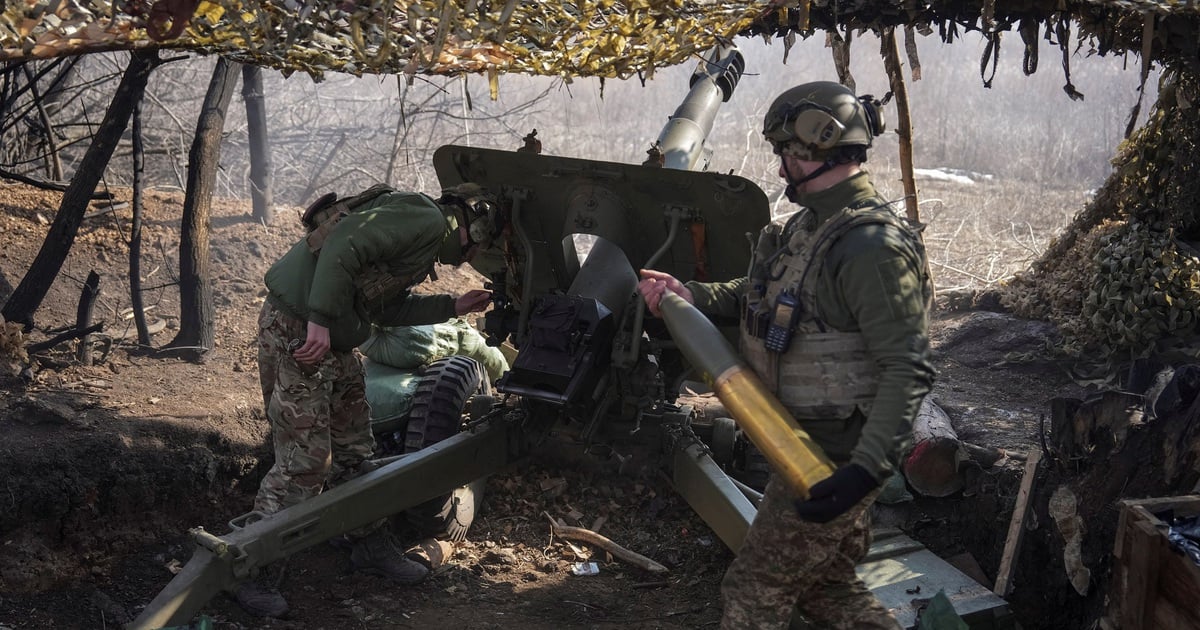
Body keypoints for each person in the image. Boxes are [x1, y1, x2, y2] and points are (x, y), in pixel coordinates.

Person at [638, 81, 935, 629]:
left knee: (754, 590)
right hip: (798, 444)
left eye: (788, 155)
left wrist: (862, 474)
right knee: (826, 591)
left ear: (821, 146)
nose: (780, 170)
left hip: (834, 460)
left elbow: (907, 367)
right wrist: (691, 294)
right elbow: (762, 300)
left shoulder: (871, 248)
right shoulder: (810, 228)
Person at [235, 184, 497, 618]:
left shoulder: (422, 241)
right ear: (473, 226)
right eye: (480, 246)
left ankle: (370, 546)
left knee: (354, 451)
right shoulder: (426, 219)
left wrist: (453, 304)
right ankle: (251, 570)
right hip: (300, 331)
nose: (473, 258)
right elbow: (345, 240)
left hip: (332, 340)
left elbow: (385, 309)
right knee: (305, 461)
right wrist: (319, 321)